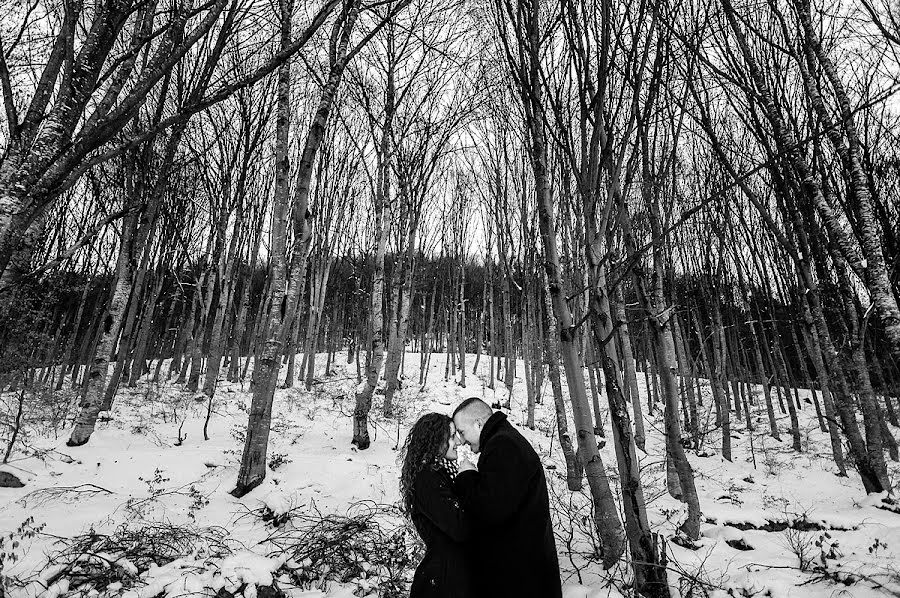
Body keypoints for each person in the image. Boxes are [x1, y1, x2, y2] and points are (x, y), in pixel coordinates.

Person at [452, 397, 562, 598]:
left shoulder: (503, 445)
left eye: (461, 432)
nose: (461, 440)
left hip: (520, 580)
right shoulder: (505, 440)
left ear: (478, 424)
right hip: (524, 574)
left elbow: (491, 509)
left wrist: (467, 477)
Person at [400, 412, 475, 598]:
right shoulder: (427, 479)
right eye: (451, 437)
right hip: (441, 584)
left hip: (450, 579)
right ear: (434, 442)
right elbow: (461, 527)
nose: (457, 442)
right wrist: (469, 479)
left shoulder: (437, 475)